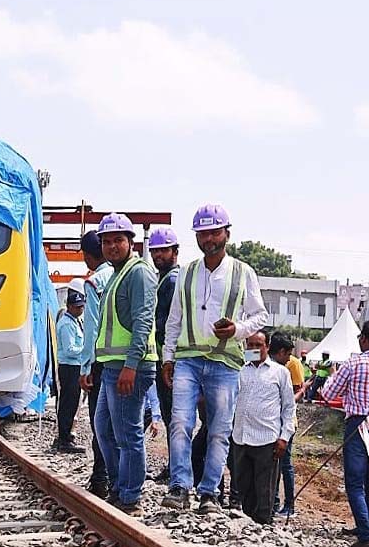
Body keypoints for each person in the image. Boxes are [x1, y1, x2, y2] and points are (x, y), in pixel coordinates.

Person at [161, 204, 268, 514]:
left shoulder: (243, 272)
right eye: (202, 233)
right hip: (189, 359)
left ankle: (209, 493)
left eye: (214, 232)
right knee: (180, 422)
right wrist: (168, 358)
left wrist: (237, 330)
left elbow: (260, 315)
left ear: (226, 234)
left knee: (219, 430)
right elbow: (175, 319)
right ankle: (179, 486)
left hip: (225, 363)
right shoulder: (187, 273)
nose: (208, 239)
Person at [91, 213, 158, 515]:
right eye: (106, 241)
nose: (112, 246)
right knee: (104, 429)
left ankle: (130, 497)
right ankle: (119, 487)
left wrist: (131, 365)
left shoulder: (138, 273)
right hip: (112, 366)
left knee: (128, 435)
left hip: (130, 367)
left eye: (118, 240)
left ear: (131, 242)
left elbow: (143, 321)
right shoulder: (116, 274)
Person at [320, 320, 369, 547]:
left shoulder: (353, 364)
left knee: (354, 481)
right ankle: (366, 526)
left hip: (359, 423)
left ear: (364, 338)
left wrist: (333, 377)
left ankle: (365, 534)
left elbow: (329, 393)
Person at [231, 331, 295, 524]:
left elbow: (289, 407)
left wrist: (284, 437)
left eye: (258, 345)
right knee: (244, 487)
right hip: (241, 437)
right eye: (250, 345)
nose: (253, 349)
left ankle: (264, 524)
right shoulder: (240, 370)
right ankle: (250, 524)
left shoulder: (280, 372)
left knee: (264, 490)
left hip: (267, 439)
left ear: (267, 347)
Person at [78, 230, 114, 497]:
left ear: (89, 256)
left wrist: (86, 367)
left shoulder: (94, 282)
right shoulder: (122, 274)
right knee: (121, 424)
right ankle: (119, 480)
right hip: (125, 359)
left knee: (99, 422)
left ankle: (101, 477)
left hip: (101, 362)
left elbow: (91, 328)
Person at [148, 226, 180, 481]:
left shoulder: (171, 281)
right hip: (165, 357)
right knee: (172, 417)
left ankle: (177, 468)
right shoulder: (164, 279)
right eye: (154, 251)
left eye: (163, 250)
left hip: (170, 359)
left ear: (174, 251)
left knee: (174, 417)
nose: (158, 255)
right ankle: (176, 467)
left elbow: (166, 323)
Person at [268, 331, 301, 516]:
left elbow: (298, 391)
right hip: (271, 422)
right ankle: (272, 502)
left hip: (286, 422)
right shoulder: (263, 364)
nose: (289, 358)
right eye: (287, 354)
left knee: (285, 464)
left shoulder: (292, 365)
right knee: (272, 463)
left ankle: (289, 505)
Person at [55, 289, 87, 454]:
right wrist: (86, 351)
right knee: (68, 403)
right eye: (76, 307)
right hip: (69, 367)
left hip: (74, 366)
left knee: (71, 402)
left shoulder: (74, 321)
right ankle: (64, 439)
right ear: (69, 306)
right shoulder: (67, 324)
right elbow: (69, 350)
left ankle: (65, 436)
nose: (80, 309)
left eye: (81, 306)